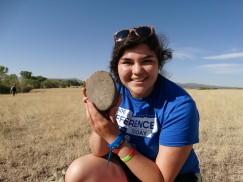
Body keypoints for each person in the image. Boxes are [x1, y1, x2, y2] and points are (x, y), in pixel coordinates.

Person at [65, 26, 201, 182]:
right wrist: (103, 116)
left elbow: (161, 179)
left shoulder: (179, 105)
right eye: (127, 62)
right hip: (129, 167)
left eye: (147, 61)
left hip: (175, 177)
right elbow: (98, 150)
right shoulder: (114, 91)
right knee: (80, 172)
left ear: (159, 63)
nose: (137, 71)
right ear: (116, 67)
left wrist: (115, 139)